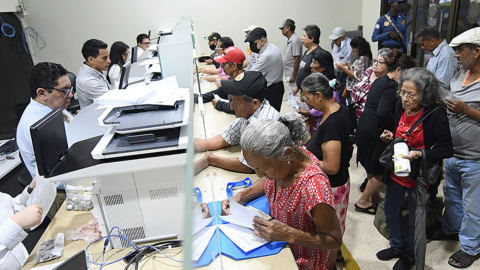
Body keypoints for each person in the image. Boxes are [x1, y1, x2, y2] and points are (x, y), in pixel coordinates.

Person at [221, 114, 343, 270]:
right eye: (255, 169)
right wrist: (241, 196)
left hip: (301, 262)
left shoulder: (314, 188)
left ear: (286, 154)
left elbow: (334, 239)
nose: (258, 175)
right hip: (279, 248)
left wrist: (289, 234)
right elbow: (270, 178)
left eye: (262, 169)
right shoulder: (284, 164)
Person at [377, 68, 453, 270]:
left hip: (420, 177)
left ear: (425, 94)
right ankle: (397, 246)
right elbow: (401, 134)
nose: (404, 98)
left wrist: (420, 153)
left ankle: (409, 255)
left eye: (411, 94)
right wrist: (391, 137)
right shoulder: (399, 107)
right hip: (397, 172)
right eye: (402, 92)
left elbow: (447, 149)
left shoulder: (436, 115)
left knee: (415, 220)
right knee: (391, 212)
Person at [355, 49, 417, 214]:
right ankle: (362, 201)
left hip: (364, 125)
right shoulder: (390, 86)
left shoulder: (379, 80)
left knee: (371, 166)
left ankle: (374, 198)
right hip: (375, 130)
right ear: (398, 70)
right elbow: (383, 112)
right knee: (381, 171)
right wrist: (398, 128)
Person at [302, 73, 352, 269]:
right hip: (339, 183)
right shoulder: (338, 110)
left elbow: (331, 166)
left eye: (307, 97)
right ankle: (336, 257)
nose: (306, 102)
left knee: (329, 236)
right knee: (336, 229)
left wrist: (306, 160)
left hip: (332, 188)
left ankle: (330, 265)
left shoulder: (332, 124)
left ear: (319, 96)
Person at [441, 27, 480, 269]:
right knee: (452, 196)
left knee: (473, 205)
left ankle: (471, 247)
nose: (455, 55)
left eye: (460, 51)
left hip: (475, 158)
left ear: (477, 52)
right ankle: (451, 230)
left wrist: (467, 111)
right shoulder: (459, 73)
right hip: (452, 153)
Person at [194, 71, 281, 174]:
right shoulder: (248, 114)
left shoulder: (262, 127)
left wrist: (211, 160)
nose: (231, 106)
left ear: (255, 103)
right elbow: (225, 138)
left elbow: (249, 166)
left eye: (236, 101)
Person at [17, 62, 74, 178]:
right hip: (61, 184)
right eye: (64, 90)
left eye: (70, 89)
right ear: (42, 93)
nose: (71, 95)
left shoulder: (53, 107)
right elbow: (58, 172)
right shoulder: (37, 126)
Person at [0, 177, 43, 270]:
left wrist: (31, 189)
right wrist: (15, 224)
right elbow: (16, 220)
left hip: (27, 262)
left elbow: (13, 208)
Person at [297, 49, 338, 135]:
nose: (311, 66)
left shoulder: (329, 86)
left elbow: (326, 108)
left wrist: (308, 112)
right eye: (311, 62)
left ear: (323, 67)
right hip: (313, 125)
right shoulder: (315, 81)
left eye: (315, 63)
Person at [245, 27, 285, 112]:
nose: (251, 45)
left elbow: (251, 75)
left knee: (269, 119)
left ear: (262, 41)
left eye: (253, 42)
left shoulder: (267, 55)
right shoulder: (272, 48)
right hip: (276, 86)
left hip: (272, 90)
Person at [200, 46, 246, 115]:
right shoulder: (232, 80)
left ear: (234, 66)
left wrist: (219, 104)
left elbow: (236, 108)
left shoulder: (244, 84)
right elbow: (218, 92)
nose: (221, 66)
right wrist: (198, 97)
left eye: (224, 64)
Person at [76, 39, 111, 109]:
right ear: (91, 60)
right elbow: (111, 100)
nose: (109, 61)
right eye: (104, 58)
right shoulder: (88, 81)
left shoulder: (93, 68)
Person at [336, 36, 373, 102]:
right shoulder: (365, 57)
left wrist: (342, 68)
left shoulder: (363, 59)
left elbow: (356, 74)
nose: (353, 51)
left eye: (353, 48)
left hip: (356, 88)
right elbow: (357, 68)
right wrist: (348, 65)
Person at [329, 27, 357, 106]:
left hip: (347, 74)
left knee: (348, 97)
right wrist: (337, 64)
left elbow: (346, 63)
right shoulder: (336, 44)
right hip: (339, 73)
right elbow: (334, 59)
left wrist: (338, 64)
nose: (334, 42)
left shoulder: (349, 46)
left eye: (336, 39)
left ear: (342, 37)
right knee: (339, 97)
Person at [294, 24, 323, 96]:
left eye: (304, 36)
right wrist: (298, 86)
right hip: (303, 91)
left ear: (312, 39)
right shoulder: (307, 52)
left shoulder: (317, 54)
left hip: (311, 92)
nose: (302, 38)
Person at [280, 19, 302, 85]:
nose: (282, 31)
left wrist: (294, 76)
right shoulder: (291, 40)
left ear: (288, 28)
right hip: (288, 73)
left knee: (293, 94)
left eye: (283, 28)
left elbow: (297, 58)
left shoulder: (294, 40)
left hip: (292, 75)